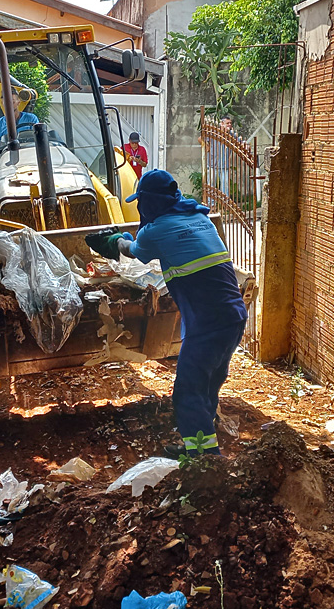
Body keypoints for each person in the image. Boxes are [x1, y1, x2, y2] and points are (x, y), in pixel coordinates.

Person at [86, 170, 247, 456]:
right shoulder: (200, 218)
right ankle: (200, 444)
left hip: (207, 322)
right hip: (234, 315)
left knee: (188, 390)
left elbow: (132, 250)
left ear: (147, 203)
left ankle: (204, 459)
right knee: (208, 382)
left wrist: (113, 242)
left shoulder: (156, 230)